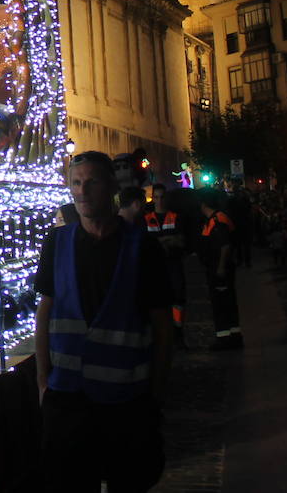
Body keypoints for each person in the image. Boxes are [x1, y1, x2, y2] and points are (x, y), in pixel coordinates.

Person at [34, 151, 172, 492]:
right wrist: (43, 383)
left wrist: (155, 394)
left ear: (111, 186)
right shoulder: (57, 243)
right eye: (76, 183)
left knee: (129, 480)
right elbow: (45, 312)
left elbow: (163, 327)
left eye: (91, 182)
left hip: (125, 401)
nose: (82, 191)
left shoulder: (143, 248)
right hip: (67, 399)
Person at [199, 190, 243, 350]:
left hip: (218, 270)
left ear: (203, 204)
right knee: (229, 301)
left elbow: (225, 245)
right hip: (221, 267)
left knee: (221, 304)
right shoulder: (219, 218)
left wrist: (220, 267)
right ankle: (234, 336)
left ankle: (224, 338)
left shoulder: (216, 222)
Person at [145, 184, 188, 346]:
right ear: (153, 198)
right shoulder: (147, 218)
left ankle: (178, 332)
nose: (159, 201)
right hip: (155, 268)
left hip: (173, 264)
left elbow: (181, 241)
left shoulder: (176, 216)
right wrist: (168, 239)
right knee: (157, 301)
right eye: (156, 197)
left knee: (178, 298)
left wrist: (158, 241)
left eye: (162, 197)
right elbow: (146, 243)